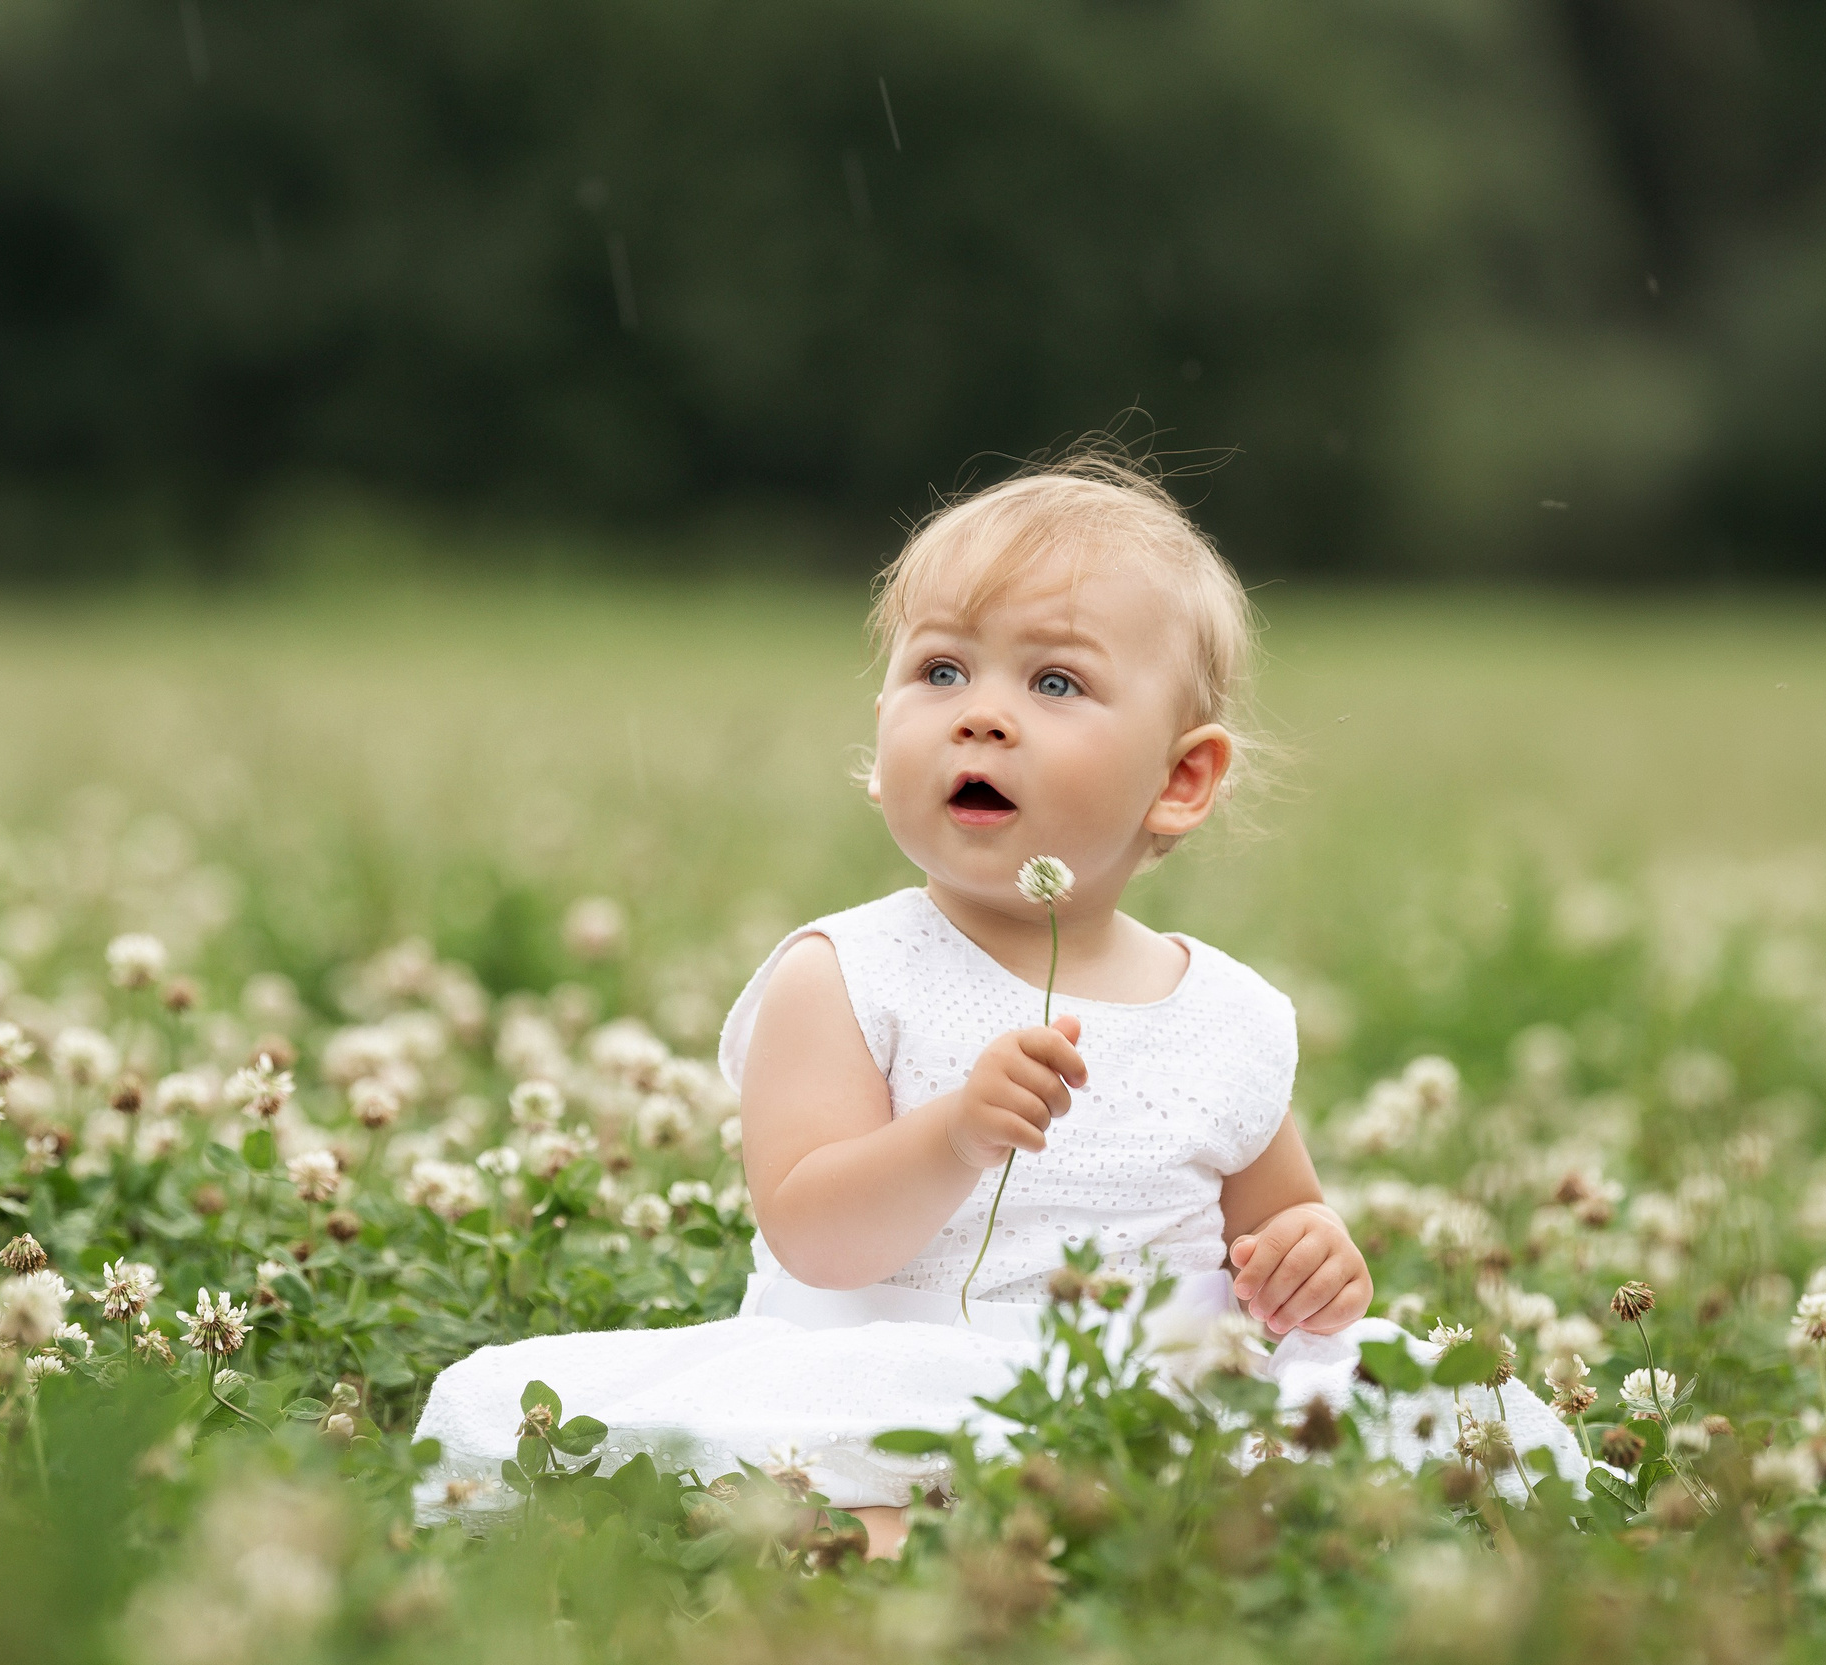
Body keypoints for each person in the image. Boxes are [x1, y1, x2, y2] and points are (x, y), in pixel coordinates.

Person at [413, 452, 1582, 1554]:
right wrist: (955, 1133)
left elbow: (1278, 1238)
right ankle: (912, 1569)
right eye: (938, 670)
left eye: (1056, 680)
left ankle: (1160, 1543)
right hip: (888, 1373)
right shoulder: (847, 972)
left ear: (1180, 780)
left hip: (1153, 1391)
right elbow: (812, 1234)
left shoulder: (1225, 1014)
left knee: (1384, 1442)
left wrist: (1317, 1262)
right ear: (880, 736)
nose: (980, 712)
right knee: (857, 1502)